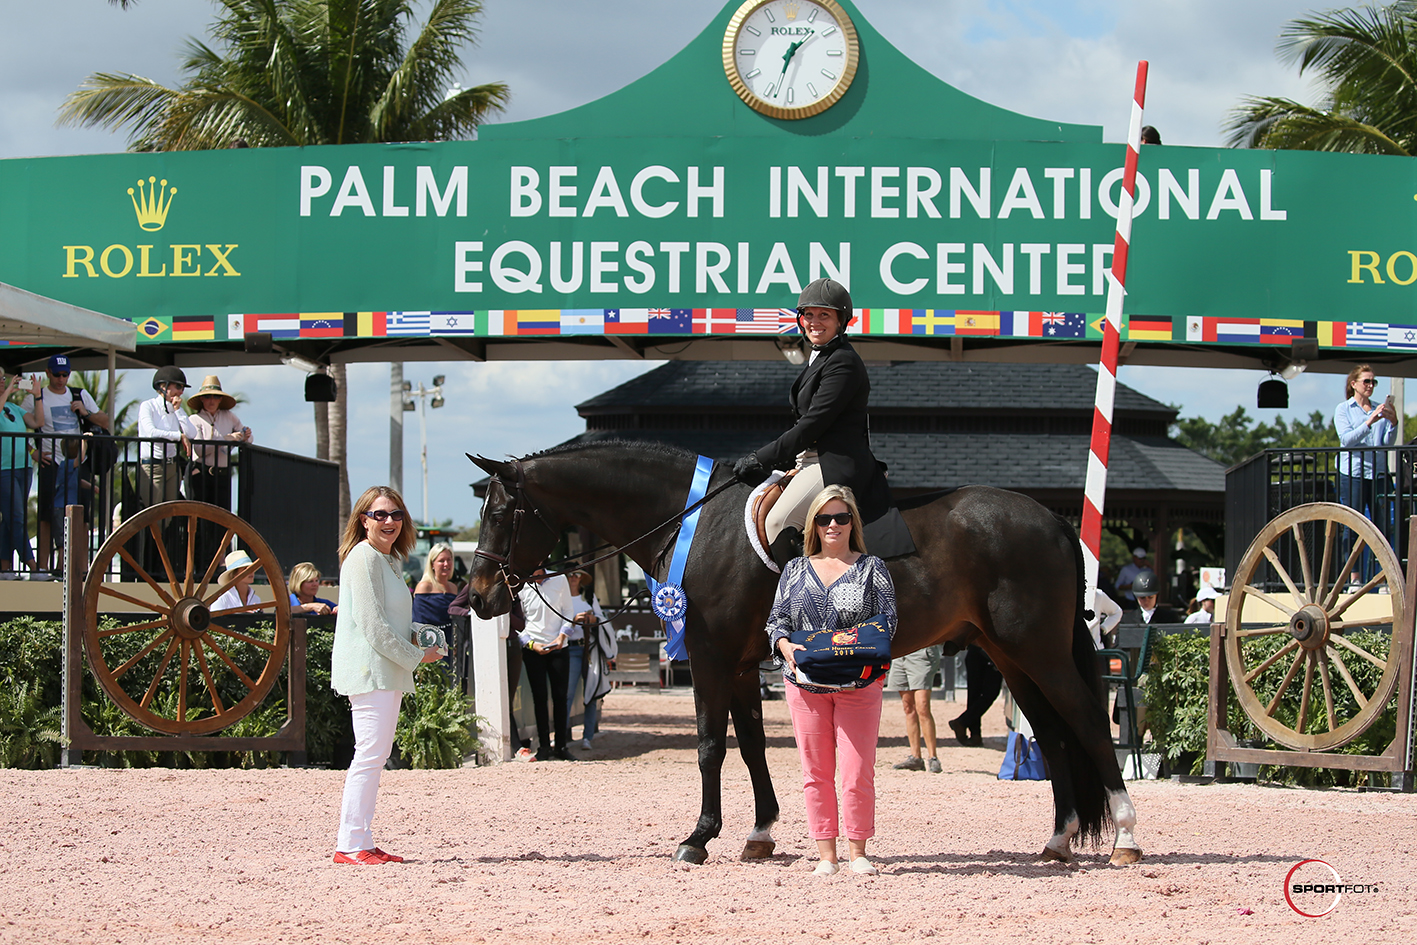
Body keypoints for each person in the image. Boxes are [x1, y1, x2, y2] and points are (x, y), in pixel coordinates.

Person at [732, 278, 913, 566]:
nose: (814, 322)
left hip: (832, 462)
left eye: (824, 315)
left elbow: (813, 423)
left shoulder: (843, 362)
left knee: (778, 522)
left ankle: (803, 603)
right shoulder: (821, 358)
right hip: (809, 459)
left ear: (842, 321)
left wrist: (761, 457)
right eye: (809, 315)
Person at [767, 485, 897, 877]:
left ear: (852, 522)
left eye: (842, 517)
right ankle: (827, 855)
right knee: (816, 771)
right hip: (805, 684)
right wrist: (787, 649)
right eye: (825, 518)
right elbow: (776, 622)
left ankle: (858, 850)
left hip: (859, 683)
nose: (833, 525)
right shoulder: (794, 570)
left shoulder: (873, 568)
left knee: (858, 770)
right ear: (814, 525)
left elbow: (888, 620)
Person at [330, 485, 442, 865]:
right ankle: (349, 844)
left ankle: (361, 837)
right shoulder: (362, 558)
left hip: (386, 669)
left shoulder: (391, 561)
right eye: (380, 514)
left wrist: (416, 639)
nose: (389, 521)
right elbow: (372, 626)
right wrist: (417, 655)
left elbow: (391, 621)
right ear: (364, 521)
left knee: (376, 754)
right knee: (369, 755)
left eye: (395, 514)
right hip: (370, 668)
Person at [22, 356, 109, 571]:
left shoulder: (79, 394)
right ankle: (42, 568)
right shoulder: (37, 396)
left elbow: (105, 420)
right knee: (46, 515)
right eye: (57, 374)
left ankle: (78, 566)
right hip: (50, 462)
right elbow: (18, 424)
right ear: (47, 373)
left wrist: (84, 411)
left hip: (79, 461)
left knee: (82, 516)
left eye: (65, 375)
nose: (61, 379)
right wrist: (33, 451)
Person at [1334, 364, 1397, 583]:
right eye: (1366, 381)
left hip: (1378, 473)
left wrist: (1393, 422)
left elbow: (1387, 443)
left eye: (1373, 382)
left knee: (1382, 529)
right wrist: (1370, 421)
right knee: (1353, 526)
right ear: (1354, 385)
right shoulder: (1343, 409)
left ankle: (1382, 579)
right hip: (1353, 474)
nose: (1371, 386)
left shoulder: (1378, 407)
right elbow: (1347, 440)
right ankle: (1354, 578)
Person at [186, 376, 251, 566]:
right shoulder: (194, 419)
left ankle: (220, 562)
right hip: (201, 475)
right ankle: (200, 565)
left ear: (221, 399)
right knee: (201, 522)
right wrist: (226, 439)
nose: (211, 401)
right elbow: (198, 450)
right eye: (207, 397)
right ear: (202, 400)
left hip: (221, 476)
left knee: (222, 521)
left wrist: (244, 435)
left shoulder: (229, 416)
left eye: (215, 396)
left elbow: (248, 437)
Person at [518, 567, 578, 761]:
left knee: (561, 697)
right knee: (539, 697)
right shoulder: (522, 584)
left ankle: (561, 746)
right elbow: (519, 621)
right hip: (534, 648)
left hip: (559, 646)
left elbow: (569, 611)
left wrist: (562, 637)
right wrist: (530, 643)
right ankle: (544, 746)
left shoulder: (559, 579)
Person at [565, 569, 615, 750]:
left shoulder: (589, 600)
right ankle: (562, 736)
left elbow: (603, 621)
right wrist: (572, 621)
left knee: (592, 692)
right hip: (570, 648)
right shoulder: (561, 599)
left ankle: (587, 736)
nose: (573, 578)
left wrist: (593, 619)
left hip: (590, 649)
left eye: (576, 575)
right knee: (568, 694)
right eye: (570, 575)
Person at [136, 366, 194, 507]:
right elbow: (151, 432)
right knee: (152, 510)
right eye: (178, 386)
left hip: (172, 466)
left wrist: (178, 411)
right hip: (152, 466)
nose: (180, 392)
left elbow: (192, 433)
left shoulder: (175, 409)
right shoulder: (148, 406)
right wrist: (178, 436)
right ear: (163, 386)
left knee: (169, 512)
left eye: (182, 388)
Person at [0, 374, 38, 574]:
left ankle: (4, 568)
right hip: (3, 470)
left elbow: (37, 421)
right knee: (16, 517)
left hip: (23, 468)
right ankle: (33, 566)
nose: (2, 381)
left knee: (9, 520)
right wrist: (7, 392)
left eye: (3, 378)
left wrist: (37, 397)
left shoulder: (13, 408)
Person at [886, 644, 942, 772]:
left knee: (922, 706)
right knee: (908, 708)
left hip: (921, 651)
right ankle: (915, 757)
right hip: (900, 653)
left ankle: (933, 757)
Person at [948, 645, 1002, 748]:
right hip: (987, 651)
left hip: (980, 650)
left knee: (975, 694)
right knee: (989, 693)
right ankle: (964, 724)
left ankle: (974, 734)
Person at [412, 542, 458, 627]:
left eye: (449, 560)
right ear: (432, 564)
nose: (446, 564)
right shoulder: (424, 587)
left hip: (451, 637)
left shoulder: (453, 588)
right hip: (432, 638)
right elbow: (419, 621)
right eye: (441, 561)